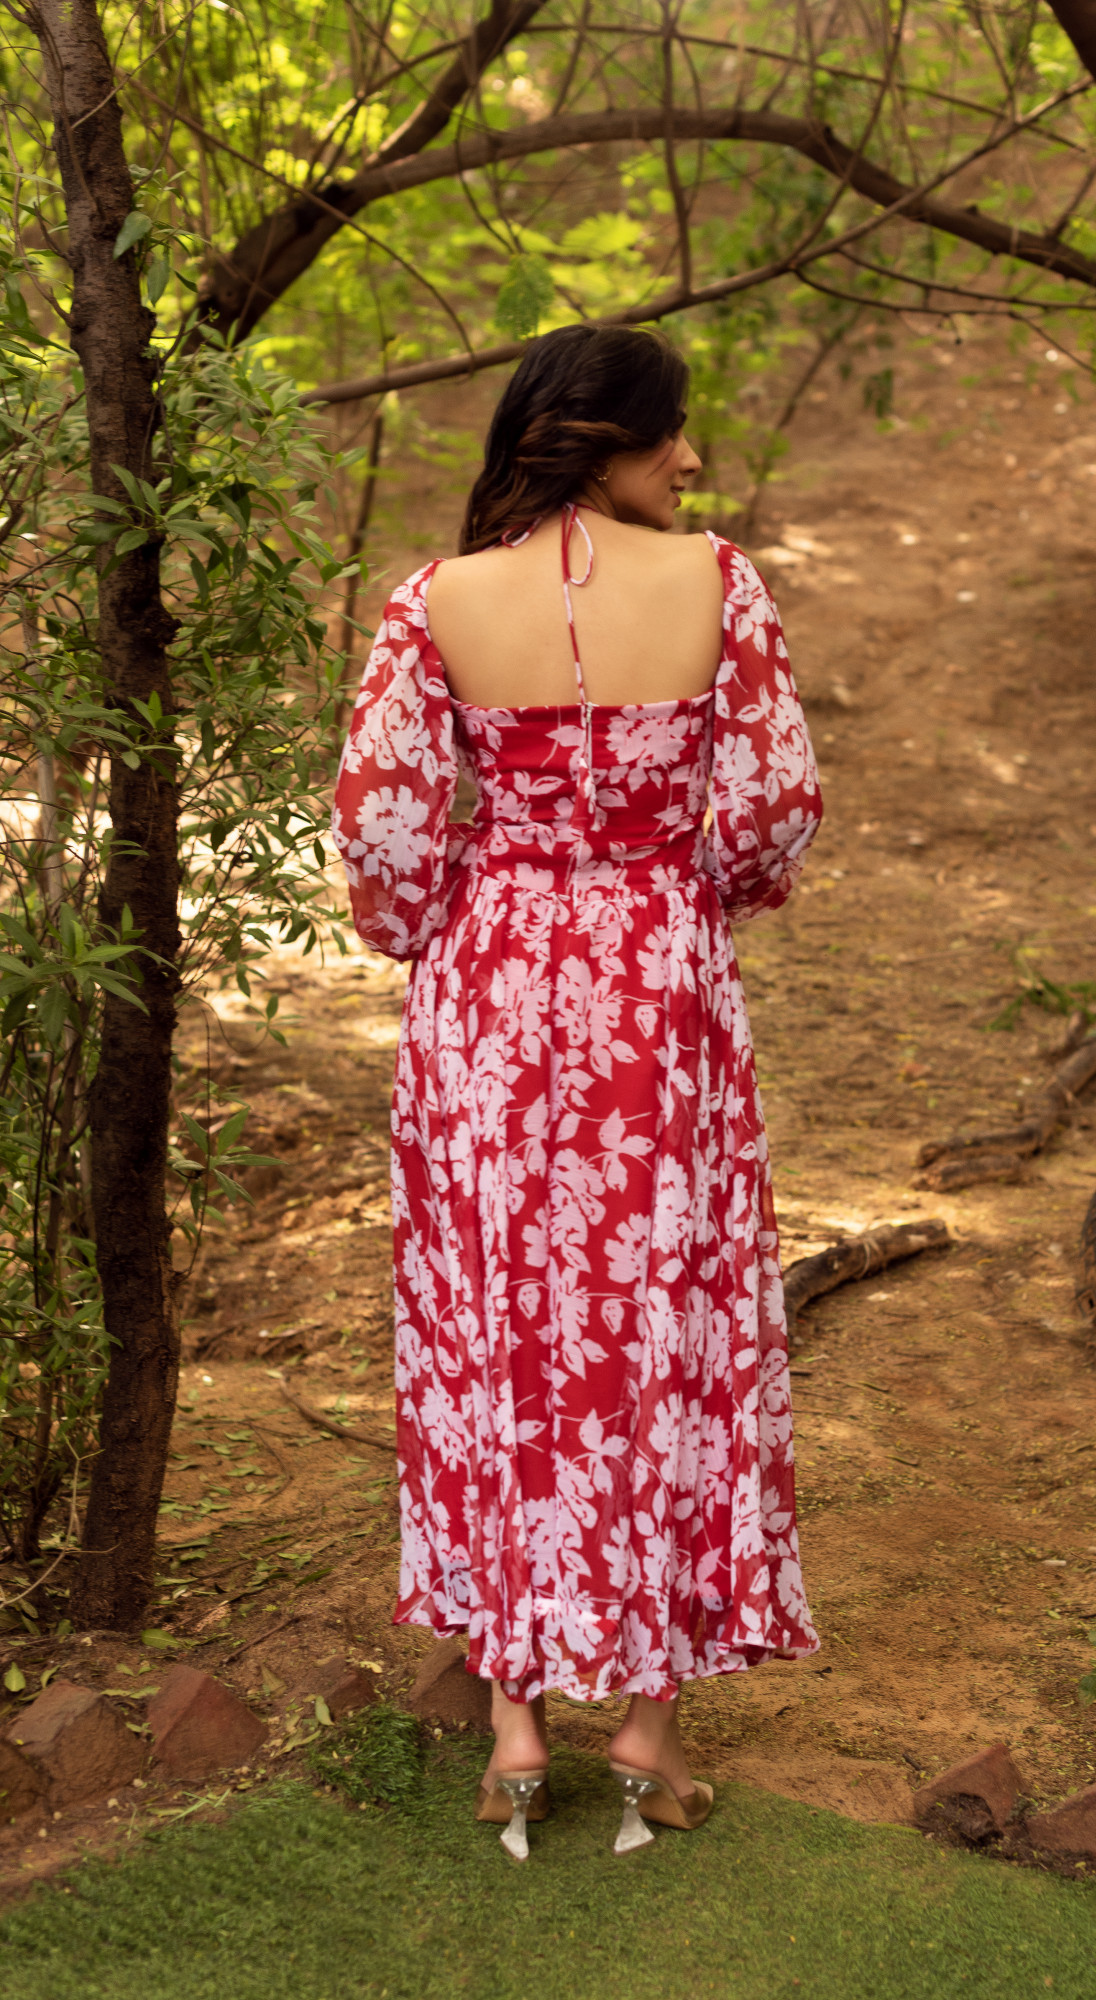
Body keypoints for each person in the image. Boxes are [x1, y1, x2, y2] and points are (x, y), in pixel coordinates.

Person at [332, 323, 822, 1861]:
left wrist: (460, 922)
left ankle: (515, 1728)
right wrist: (683, 891)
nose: (692, 461)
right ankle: (652, 1737)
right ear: (605, 438)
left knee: (498, 1321)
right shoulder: (723, 587)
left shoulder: (432, 604)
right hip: (654, 993)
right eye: (672, 433)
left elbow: (390, 839)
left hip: (488, 994)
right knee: (665, 1319)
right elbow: (767, 816)